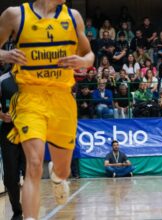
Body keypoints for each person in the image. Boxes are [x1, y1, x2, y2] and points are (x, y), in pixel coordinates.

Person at [0, 1, 94, 219]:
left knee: (63, 170)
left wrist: (82, 60)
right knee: (33, 164)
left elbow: (89, 54)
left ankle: (58, 176)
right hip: (30, 97)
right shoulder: (15, 15)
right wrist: (4, 55)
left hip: (62, 99)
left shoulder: (73, 17)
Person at [0, 72, 26, 220]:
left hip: (30, 132)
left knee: (31, 175)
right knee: (10, 178)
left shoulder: (34, 77)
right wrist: (2, 116)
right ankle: (17, 211)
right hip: (8, 132)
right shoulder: (3, 80)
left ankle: (30, 212)